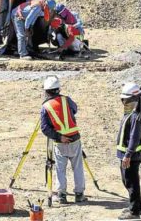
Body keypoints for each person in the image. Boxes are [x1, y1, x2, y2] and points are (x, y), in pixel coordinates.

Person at [40, 75, 85, 204]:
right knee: (77, 167)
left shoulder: (45, 106)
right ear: (58, 89)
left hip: (60, 142)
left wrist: (59, 136)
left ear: (46, 91)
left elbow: (45, 128)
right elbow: (74, 110)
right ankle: (79, 194)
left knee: (60, 168)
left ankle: (61, 195)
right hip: (75, 139)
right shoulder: (67, 100)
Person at [117, 83, 141, 219]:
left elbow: (134, 137)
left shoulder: (135, 116)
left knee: (130, 182)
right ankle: (138, 206)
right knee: (133, 180)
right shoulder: (132, 113)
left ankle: (134, 212)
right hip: (130, 155)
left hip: (130, 156)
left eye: (126, 100)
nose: (124, 102)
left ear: (134, 99)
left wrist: (127, 155)